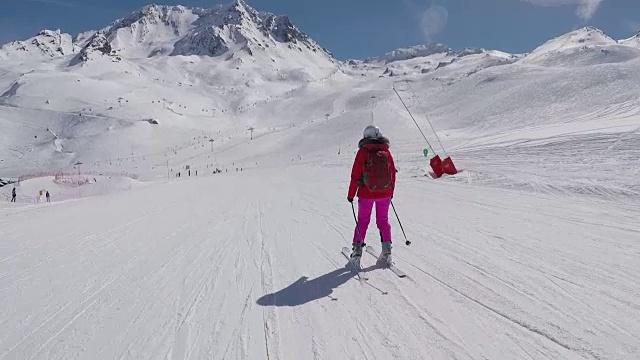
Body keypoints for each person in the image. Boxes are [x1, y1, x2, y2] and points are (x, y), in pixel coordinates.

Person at [347, 125, 397, 267]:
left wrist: (351, 195)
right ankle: (387, 253)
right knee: (383, 221)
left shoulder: (363, 151)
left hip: (366, 194)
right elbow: (392, 173)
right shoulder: (386, 151)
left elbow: (355, 175)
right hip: (385, 194)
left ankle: (356, 254)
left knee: (363, 221)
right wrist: (390, 192)